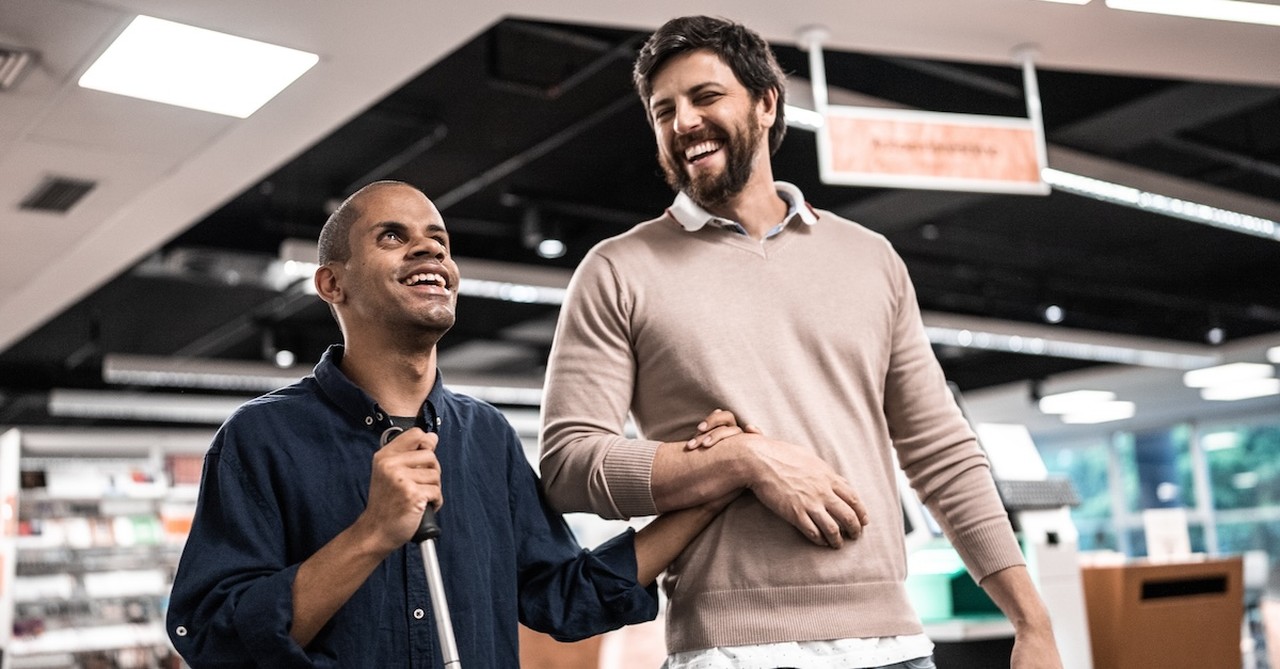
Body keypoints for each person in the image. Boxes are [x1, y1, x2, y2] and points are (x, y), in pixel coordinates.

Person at [539, 15, 1064, 669]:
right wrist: (743, 459)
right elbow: (566, 466)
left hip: (893, 647)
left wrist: (1032, 621)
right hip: (730, 651)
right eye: (663, 111)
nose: (683, 124)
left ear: (766, 102)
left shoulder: (870, 258)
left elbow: (941, 451)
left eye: (705, 97)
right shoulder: (618, 269)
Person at [166, 180, 739, 668]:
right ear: (331, 284)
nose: (429, 251)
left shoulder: (486, 438)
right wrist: (372, 533)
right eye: (393, 236)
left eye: (439, 240)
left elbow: (563, 598)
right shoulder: (261, 439)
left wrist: (709, 489)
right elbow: (214, 638)